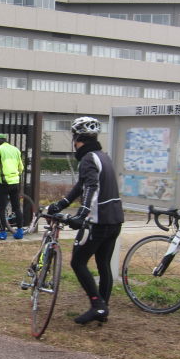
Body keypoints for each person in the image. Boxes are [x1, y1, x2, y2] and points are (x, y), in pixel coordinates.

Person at [47, 116, 124, 324]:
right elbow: (80, 186)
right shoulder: (102, 156)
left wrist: (81, 214)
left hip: (98, 222)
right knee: (103, 264)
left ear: (77, 138)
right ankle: (102, 309)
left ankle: (97, 305)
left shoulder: (88, 158)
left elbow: (91, 187)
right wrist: (61, 204)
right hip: (115, 219)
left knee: (78, 261)